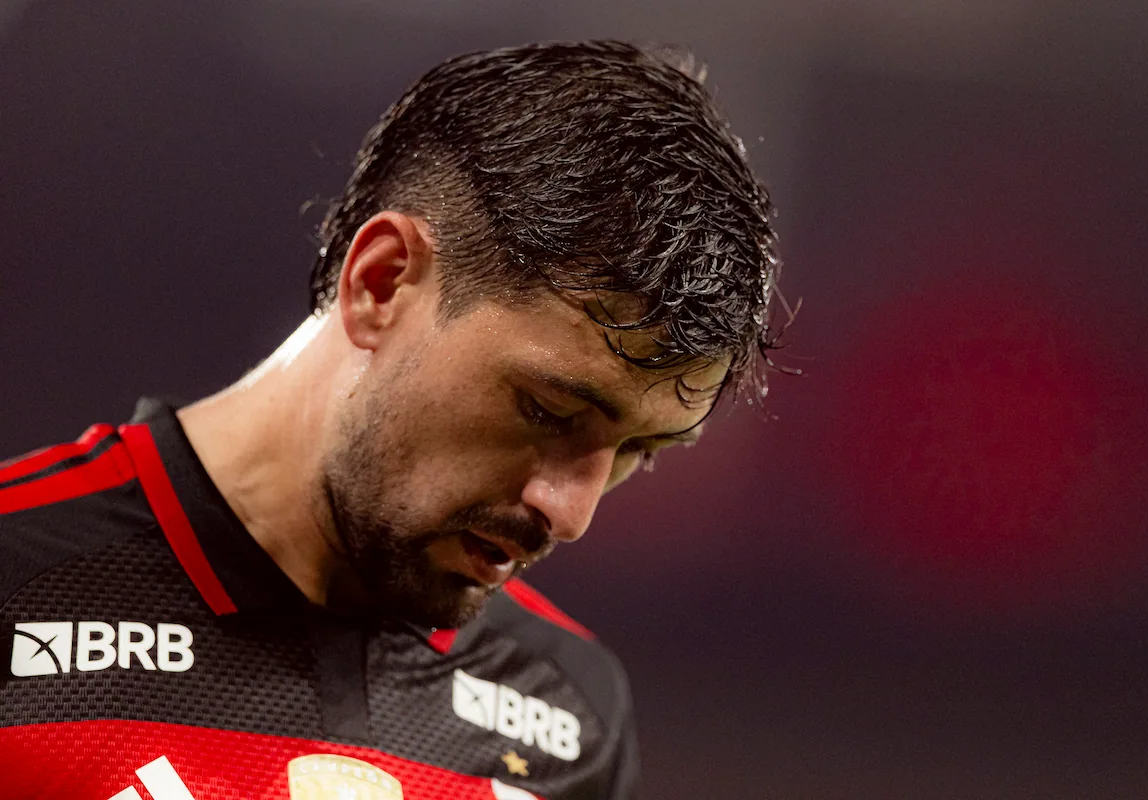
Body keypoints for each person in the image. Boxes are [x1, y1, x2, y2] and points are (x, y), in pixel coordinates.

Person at [0, 40, 780, 800]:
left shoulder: (573, 713)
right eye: (549, 410)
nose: (571, 513)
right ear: (382, 283)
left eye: (639, 450)